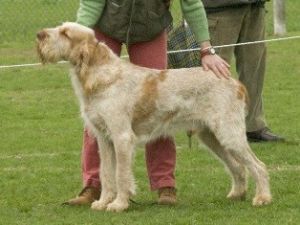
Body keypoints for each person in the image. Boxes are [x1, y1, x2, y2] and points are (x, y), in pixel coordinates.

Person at [64, 0, 230, 206]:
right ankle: (93, 185)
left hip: (150, 28)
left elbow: (192, 3)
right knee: (98, 110)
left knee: (160, 103)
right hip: (106, 26)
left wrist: (206, 49)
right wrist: (82, 36)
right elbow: (92, 2)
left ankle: (164, 183)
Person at [202, 0, 284, 142]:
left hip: (254, 6)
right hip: (219, 9)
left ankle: (253, 126)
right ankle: (212, 129)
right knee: (215, 74)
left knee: (254, 68)